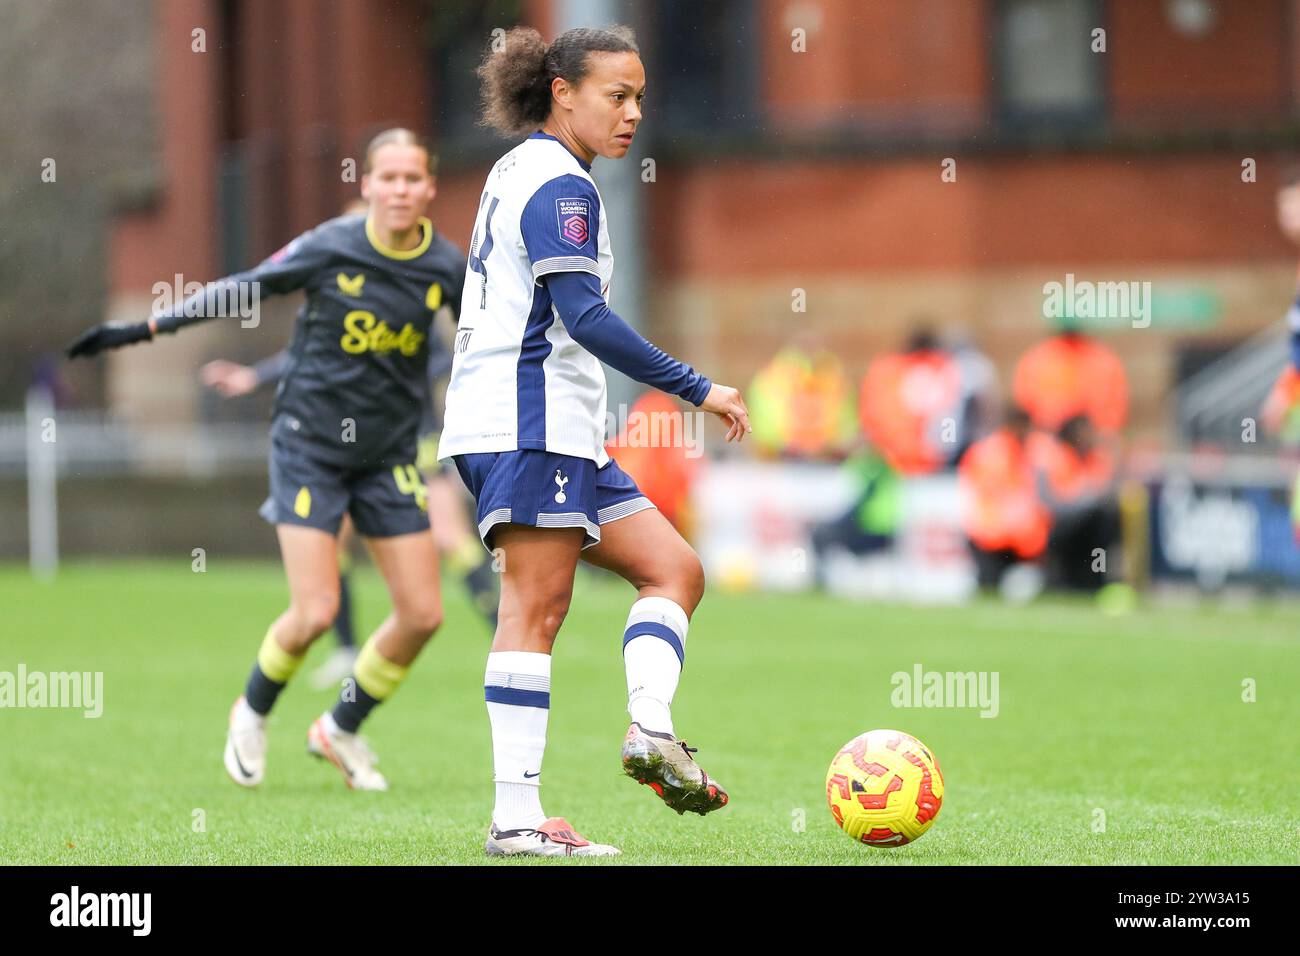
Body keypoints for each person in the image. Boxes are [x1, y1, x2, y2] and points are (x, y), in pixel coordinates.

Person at [68, 128, 466, 792]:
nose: (399, 189)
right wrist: (145, 329)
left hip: (388, 454)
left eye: (412, 178)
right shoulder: (329, 247)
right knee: (314, 612)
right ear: (366, 184)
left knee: (423, 614)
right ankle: (251, 713)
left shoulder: (446, 266)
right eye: (387, 177)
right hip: (310, 445)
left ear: (429, 188)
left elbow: (486, 338)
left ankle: (339, 728)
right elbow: (243, 287)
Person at [438, 25, 751, 857]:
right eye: (617, 95)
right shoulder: (560, 187)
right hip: (527, 422)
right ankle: (515, 820)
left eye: (641, 96)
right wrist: (698, 388)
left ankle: (650, 730)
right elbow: (585, 318)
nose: (634, 113)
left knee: (674, 569)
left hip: (551, 425)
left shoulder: (523, 169)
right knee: (535, 609)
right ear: (562, 92)